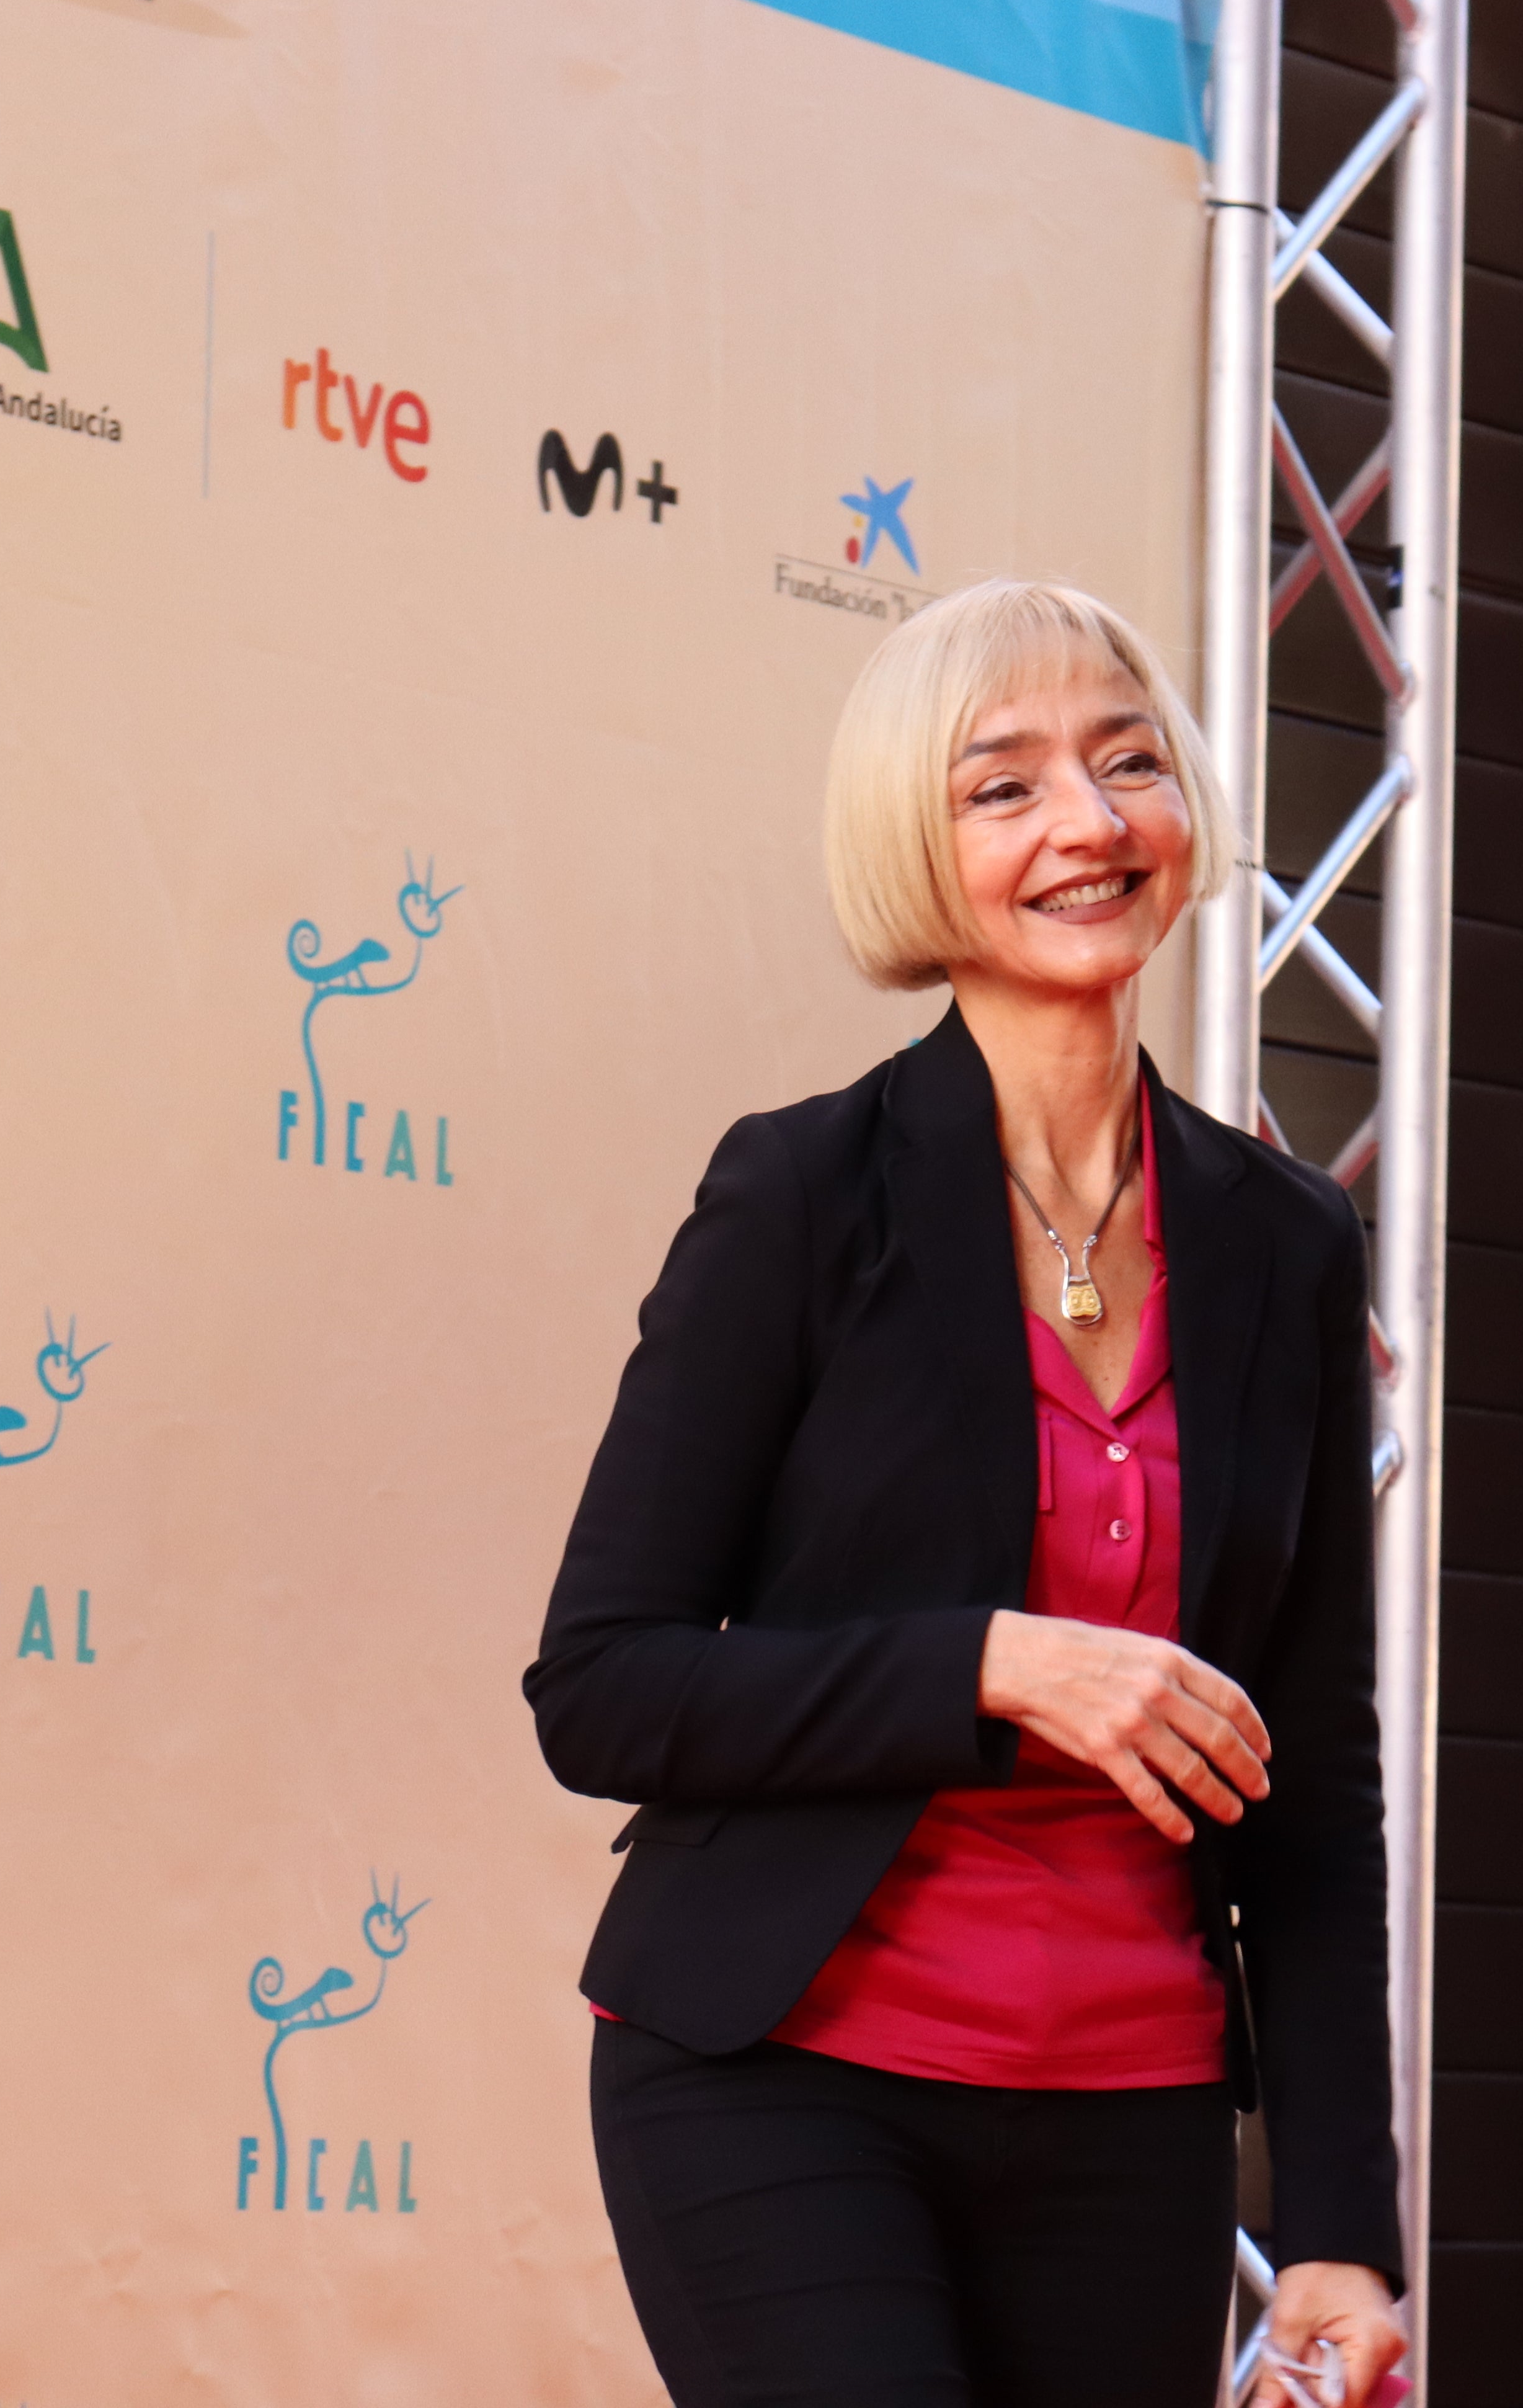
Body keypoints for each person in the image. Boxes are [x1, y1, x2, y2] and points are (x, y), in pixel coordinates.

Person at [525, 578, 1408, 2408]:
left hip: (1133, 2105)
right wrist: (997, 1664)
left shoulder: (1286, 1246)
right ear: (916, 855)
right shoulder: (800, 1197)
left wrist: (1339, 2219)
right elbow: (602, 1684)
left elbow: (1306, 1770)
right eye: (1002, 787)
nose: (1087, 823)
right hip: (784, 2067)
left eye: (1129, 763)